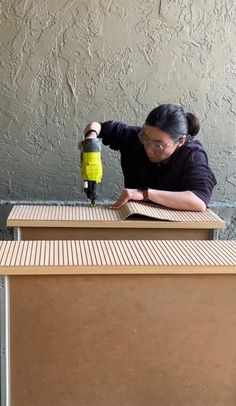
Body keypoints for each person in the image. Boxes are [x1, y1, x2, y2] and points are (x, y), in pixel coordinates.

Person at [83, 104, 216, 211]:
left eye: (158, 145)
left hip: (176, 226)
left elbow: (199, 201)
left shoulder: (192, 154)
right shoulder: (134, 137)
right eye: (145, 138)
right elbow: (98, 126)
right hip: (135, 218)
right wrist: (90, 140)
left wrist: (144, 194)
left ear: (180, 141)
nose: (149, 148)